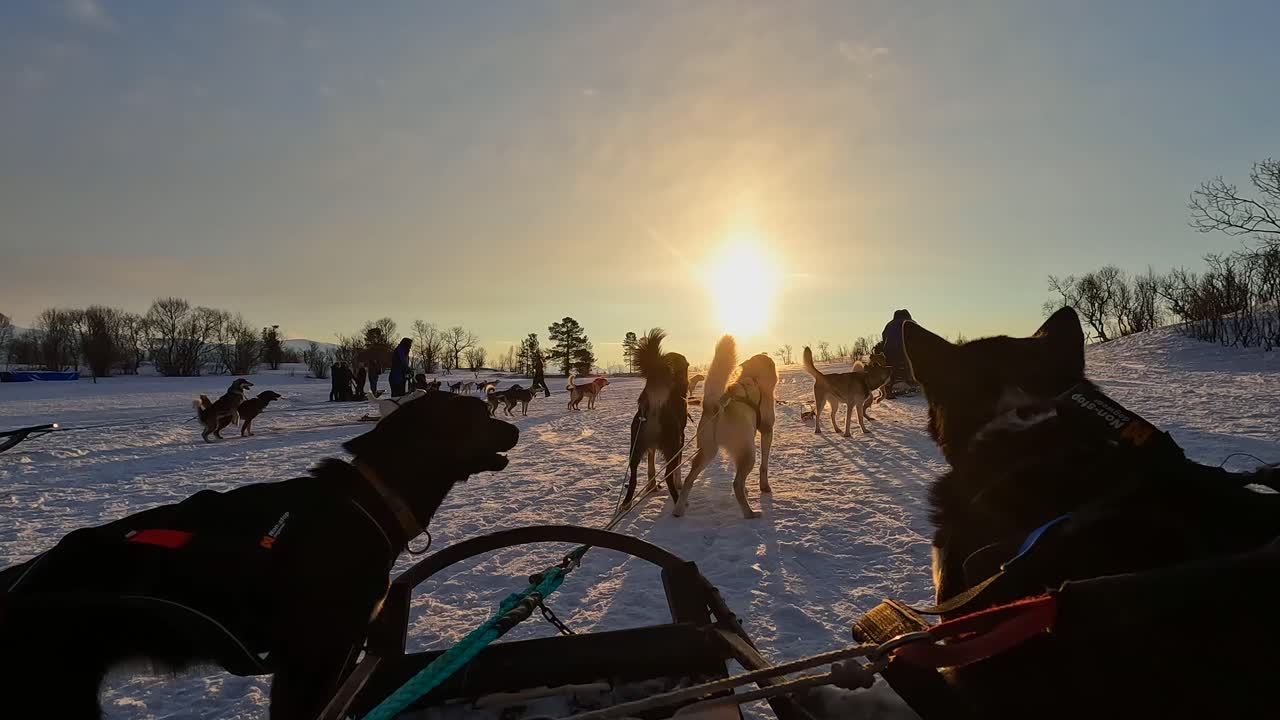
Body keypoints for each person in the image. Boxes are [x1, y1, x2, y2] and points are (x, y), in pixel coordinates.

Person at [880, 309, 913, 398]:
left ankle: (890, 386)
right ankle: (909, 381)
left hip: (889, 351)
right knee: (910, 363)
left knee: (892, 368)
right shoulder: (910, 322)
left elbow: (884, 336)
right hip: (904, 349)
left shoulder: (889, 325)